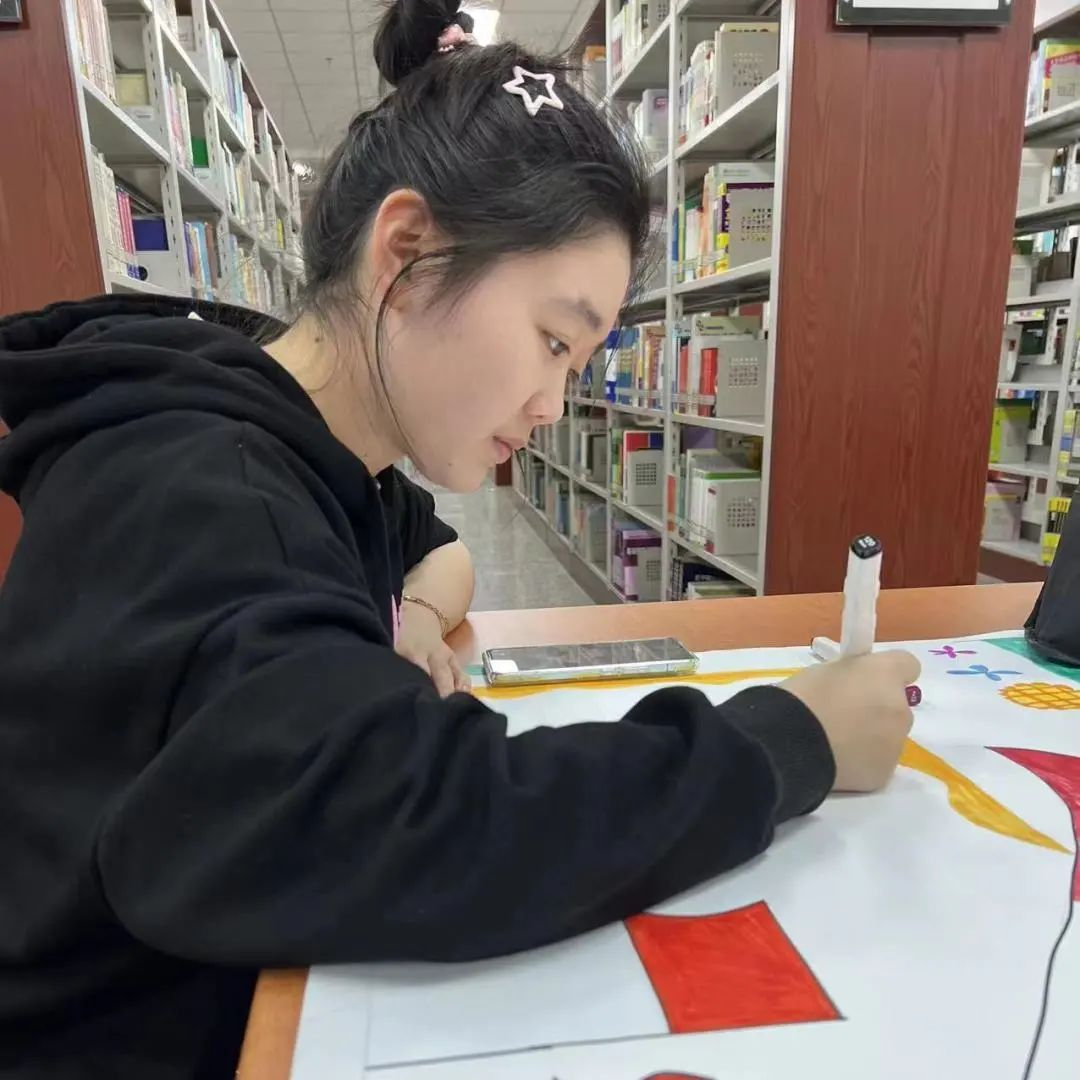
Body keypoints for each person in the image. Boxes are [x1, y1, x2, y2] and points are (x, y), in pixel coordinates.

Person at [0, 1, 919, 1076]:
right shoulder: (206, 493)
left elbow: (435, 549)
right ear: (409, 253)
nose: (553, 405)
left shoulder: (313, 450)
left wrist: (414, 615)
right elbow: (429, 826)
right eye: (553, 340)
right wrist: (788, 742)